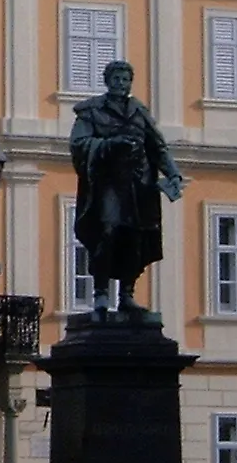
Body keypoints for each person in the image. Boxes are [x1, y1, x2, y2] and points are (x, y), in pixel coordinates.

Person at [69, 60, 183, 313]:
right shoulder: (91, 111)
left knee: (136, 238)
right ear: (107, 80)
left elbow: (158, 147)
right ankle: (100, 292)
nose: (120, 83)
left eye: (125, 79)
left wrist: (173, 174)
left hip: (139, 183)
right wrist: (111, 145)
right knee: (108, 232)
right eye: (116, 78)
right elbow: (79, 144)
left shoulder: (139, 112)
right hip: (108, 184)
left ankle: (127, 295)